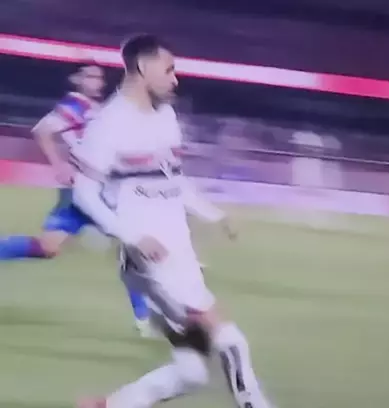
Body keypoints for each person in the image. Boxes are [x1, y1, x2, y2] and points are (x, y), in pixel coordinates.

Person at [72, 34, 272, 408]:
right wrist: (132, 237)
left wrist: (214, 214)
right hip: (151, 259)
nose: (175, 79)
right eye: (169, 70)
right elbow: (84, 194)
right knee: (231, 342)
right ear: (143, 68)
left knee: (191, 372)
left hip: (179, 252)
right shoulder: (108, 124)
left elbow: (174, 181)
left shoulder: (166, 116)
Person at [0, 62, 153, 337]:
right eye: (89, 76)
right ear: (75, 79)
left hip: (94, 190)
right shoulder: (76, 105)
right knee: (133, 246)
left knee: (48, 247)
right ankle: (146, 319)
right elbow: (42, 130)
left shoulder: (96, 109)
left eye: (99, 77)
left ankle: (146, 318)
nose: (97, 81)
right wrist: (58, 164)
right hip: (85, 192)